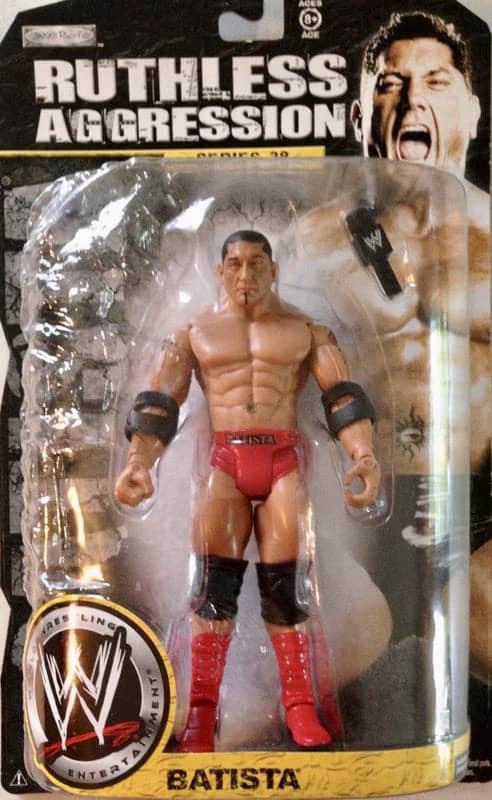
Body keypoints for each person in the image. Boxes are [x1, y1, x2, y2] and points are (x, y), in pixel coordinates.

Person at [115, 230, 381, 752]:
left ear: (273, 269)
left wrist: (363, 456)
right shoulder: (195, 334)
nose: (245, 274)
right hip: (225, 462)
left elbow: (343, 398)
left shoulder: (306, 332)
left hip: (282, 462)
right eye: (235, 263)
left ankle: (299, 706)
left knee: (286, 591)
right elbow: (159, 402)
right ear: (220, 271)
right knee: (213, 591)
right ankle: (201, 712)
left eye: (257, 263)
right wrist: (139, 463)